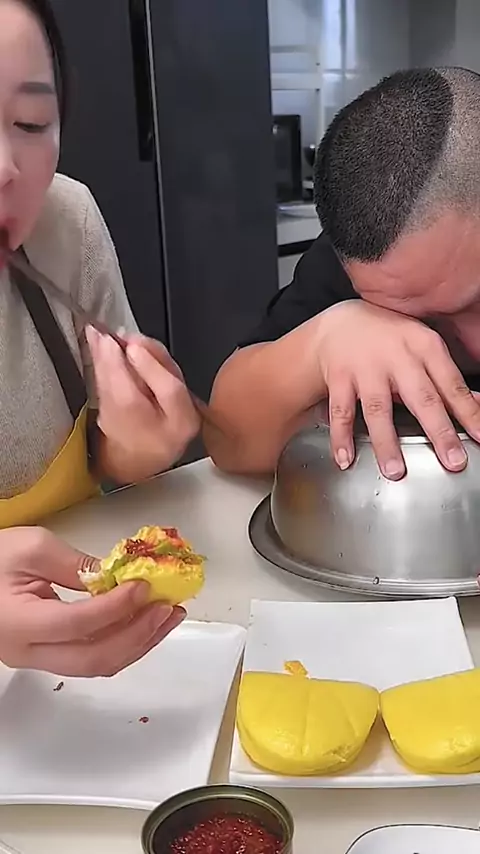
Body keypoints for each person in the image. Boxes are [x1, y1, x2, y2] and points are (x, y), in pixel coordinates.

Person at [0, 0, 199, 675]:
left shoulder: (63, 223)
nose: (6, 167)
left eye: (31, 123)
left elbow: (104, 455)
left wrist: (137, 450)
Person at [206, 66, 480, 482]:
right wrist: (323, 342)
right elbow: (228, 440)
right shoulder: (370, 258)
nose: (473, 346)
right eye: (423, 320)